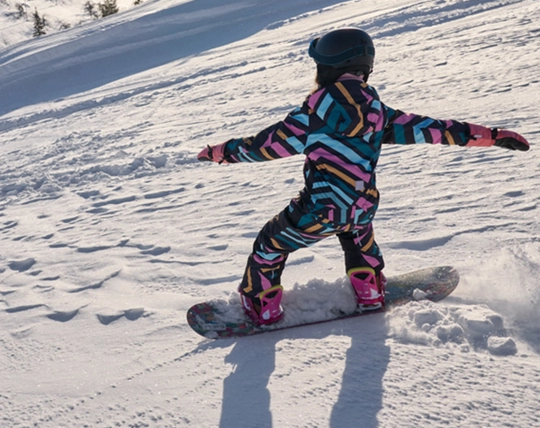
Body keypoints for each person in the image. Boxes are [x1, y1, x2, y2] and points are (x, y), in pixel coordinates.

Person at [197, 28, 530, 326]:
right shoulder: (379, 114)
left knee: (269, 246)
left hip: (319, 211)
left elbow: (260, 147)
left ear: (325, 69)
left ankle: (262, 310)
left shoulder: (310, 119)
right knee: (358, 239)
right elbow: (436, 130)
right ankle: (369, 293)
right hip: (361, 208)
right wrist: (493, 135)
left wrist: (220, 152)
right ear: (364, 69)